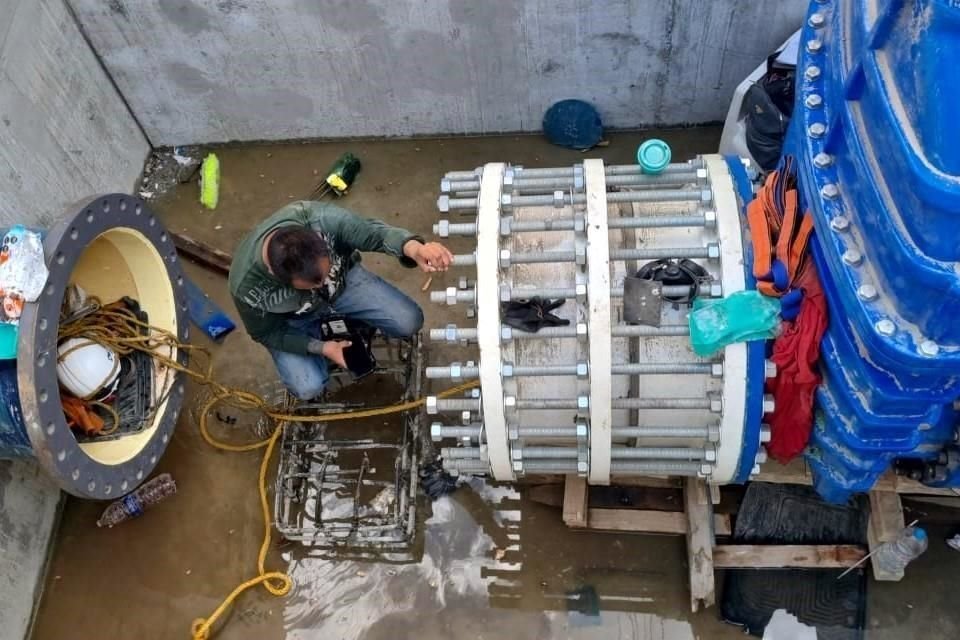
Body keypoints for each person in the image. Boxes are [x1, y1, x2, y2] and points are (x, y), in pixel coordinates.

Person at [228, 200, 452, 400]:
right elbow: (266, 333)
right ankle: (324, 337)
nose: (322, 285)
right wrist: (323, 348)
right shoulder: (247, 286)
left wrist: (414, 248)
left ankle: (352, 323)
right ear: (279, 277)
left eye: (324, 275)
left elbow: (376, 234)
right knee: (308, 388)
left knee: (408, 320)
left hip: (344, 282)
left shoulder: (325, 221)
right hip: (293, 320)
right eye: (313, 284)